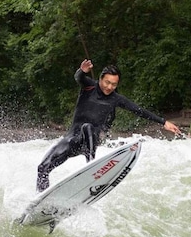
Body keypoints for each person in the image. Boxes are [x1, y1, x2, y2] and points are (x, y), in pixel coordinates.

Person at [36, 59, 181, 192]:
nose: (109, 87)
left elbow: (139, 110)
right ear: (100, 79)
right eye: (107, 82)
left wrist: (163, 122)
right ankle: (40, 199)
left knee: (87, 127)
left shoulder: (116, 99)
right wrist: (82, 71)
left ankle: (91, 166)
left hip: (91, 140)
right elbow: (78, 77)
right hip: (72, 140)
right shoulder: (89, 87)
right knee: (42, 168)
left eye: (114, 84)